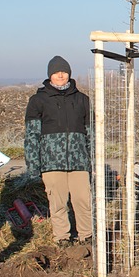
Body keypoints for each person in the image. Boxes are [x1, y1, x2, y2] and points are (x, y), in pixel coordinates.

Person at [24, 56, 92, 247]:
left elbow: (91, 133)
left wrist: (92, 160)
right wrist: (33, 165)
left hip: (79, 161)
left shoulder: (82, 100)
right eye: (56, 72)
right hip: (51, 163)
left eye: (63, 71)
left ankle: (86, 236)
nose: (60, 75)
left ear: (69, 74)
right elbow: (31, 135)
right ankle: (62, 237)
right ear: (50, 76)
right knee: (58, 203)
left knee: (83, 200)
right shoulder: (38, 101)